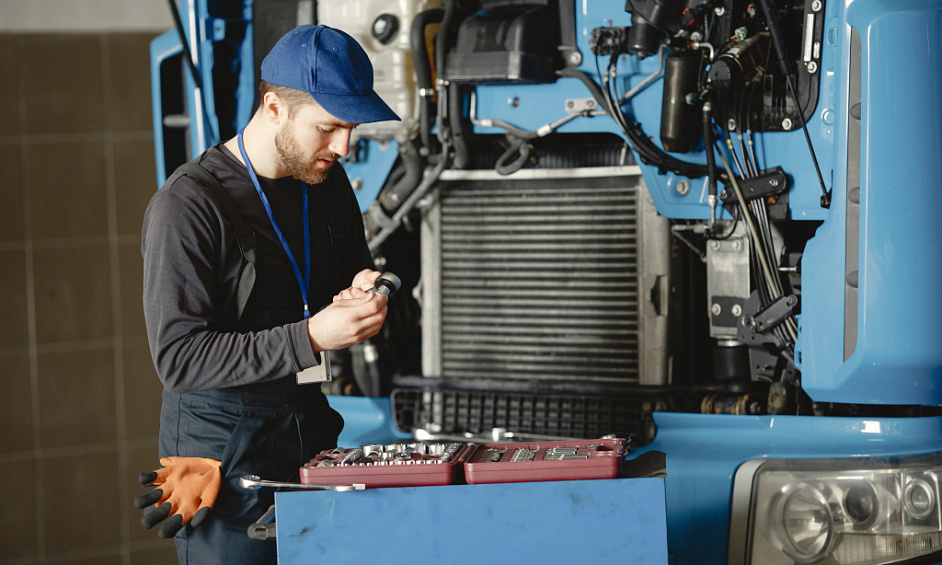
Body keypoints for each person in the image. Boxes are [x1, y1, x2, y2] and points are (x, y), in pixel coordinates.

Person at [139, 24, 400, 565]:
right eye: (328, 128)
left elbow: (359, 270)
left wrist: (371, 288)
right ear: (275, 106)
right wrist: (311, 336)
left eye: (351, 128)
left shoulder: (324, 186)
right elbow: (179, 359)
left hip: (309, 435)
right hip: (223, 468)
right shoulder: (188, 206)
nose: (344, 146)